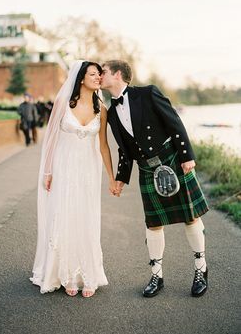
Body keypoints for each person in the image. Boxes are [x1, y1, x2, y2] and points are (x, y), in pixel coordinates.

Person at [100, 60, 209, 298]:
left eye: (104, 71)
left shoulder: (147, 94)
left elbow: (174, 122)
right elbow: (124, 149)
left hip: (171, 159)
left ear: (118, 74)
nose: (100, 75)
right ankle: (156, 276)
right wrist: (120, 178)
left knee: (190, 217)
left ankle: (201, 269)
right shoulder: (111, 112)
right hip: (146, 169)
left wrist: (187, 155)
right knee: (153, 223)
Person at [30, 60, 117, 298]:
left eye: (99, 75)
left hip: (88, 169)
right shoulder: (62, 103)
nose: (98, 77)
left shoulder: (102, 108)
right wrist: (47, 171)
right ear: (80, 78)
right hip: (63, 167)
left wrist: (112, 177)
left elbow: (104, 146)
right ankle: (67, 274)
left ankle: (86, 273)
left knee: (86, 217)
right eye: (93, 74)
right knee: (64, 214)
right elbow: (50, 141)